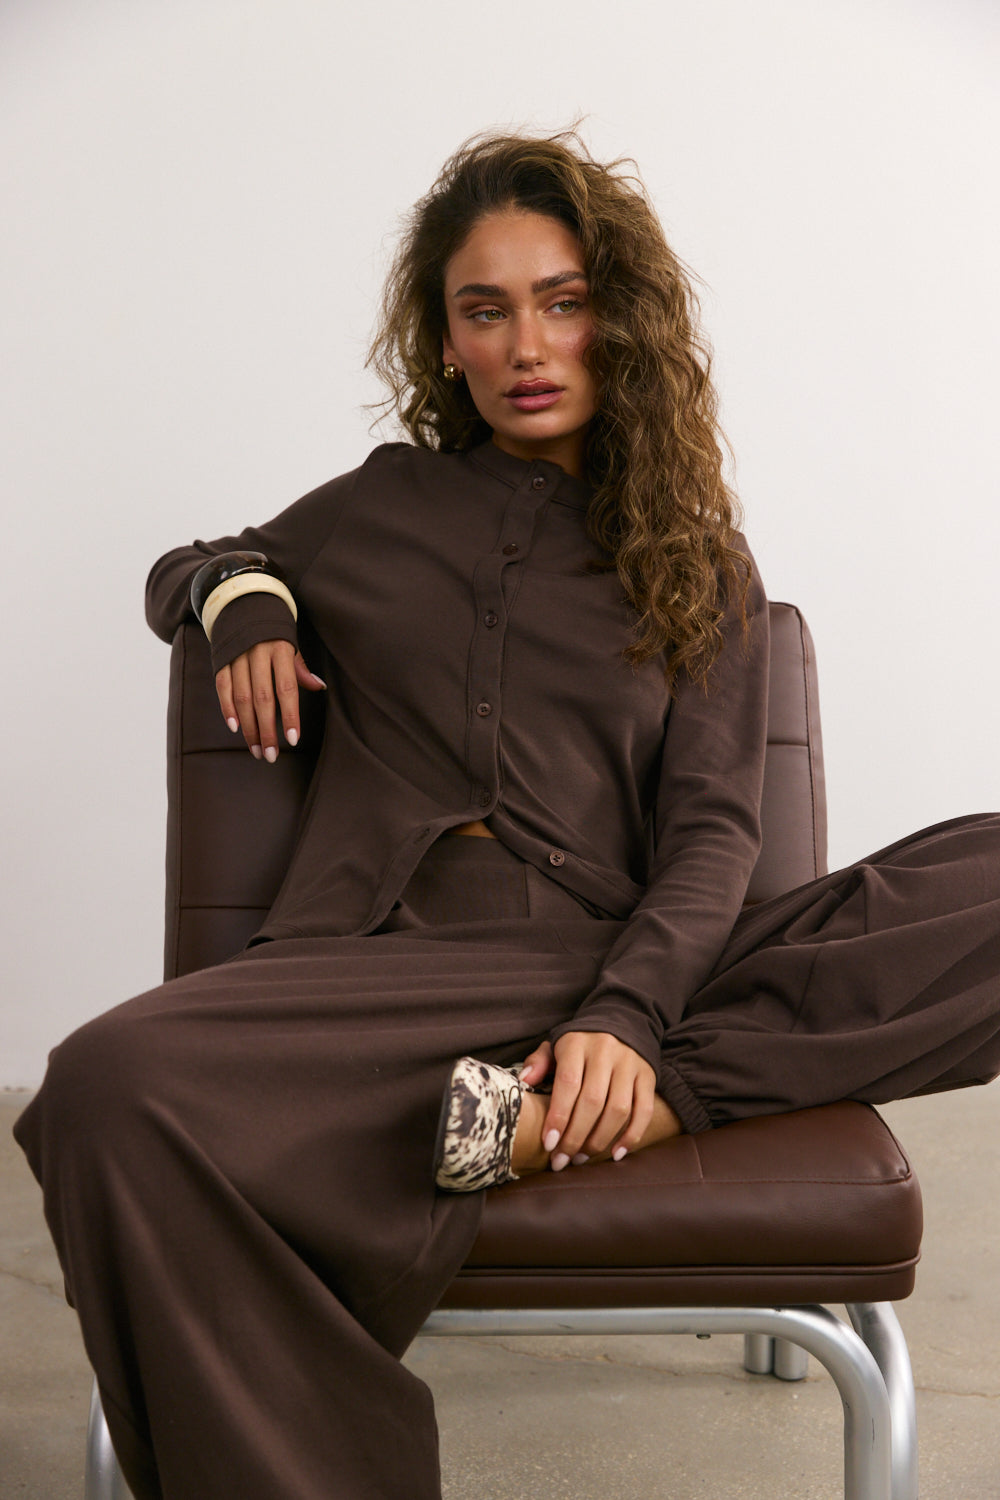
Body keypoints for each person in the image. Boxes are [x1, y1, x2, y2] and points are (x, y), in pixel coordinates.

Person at [15, 129, 1000, 1500]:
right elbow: (195, 560)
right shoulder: (380, 507)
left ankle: (619, 1102)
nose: (527, 346)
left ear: (619, 321)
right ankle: (549, 1128)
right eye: (486, 311)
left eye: (563, 302)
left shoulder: (698, 560)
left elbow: (714, 835)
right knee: (96, 1085)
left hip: (613, 961)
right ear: (447, 341)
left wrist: (626, 1020)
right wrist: (241, 599)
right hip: (387, 971)